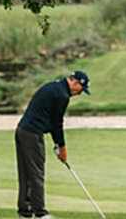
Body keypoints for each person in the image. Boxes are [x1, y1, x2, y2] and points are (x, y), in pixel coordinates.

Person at [15, 70, 90, 218]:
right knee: (36, 173)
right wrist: (62, 147)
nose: (79, 94)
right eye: (81, 90)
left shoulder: (54, 87)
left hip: (22, 131)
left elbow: (48, 120)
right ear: (75, 82)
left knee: (26, 173)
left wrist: (57, 144)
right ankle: (40, 213)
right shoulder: (62, 95)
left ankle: (25, 210)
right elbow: (57, 124)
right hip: (32, 134)